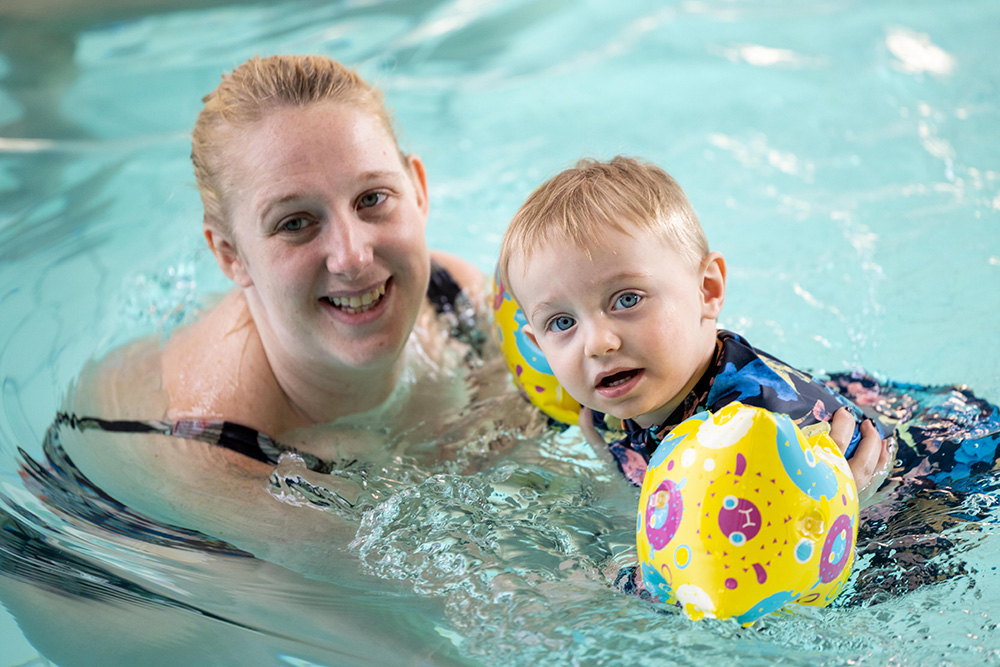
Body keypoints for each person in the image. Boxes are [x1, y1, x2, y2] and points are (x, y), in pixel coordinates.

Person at [498, 156, 895, 501]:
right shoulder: (606, 412)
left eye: (627, 299)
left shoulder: (760, 434)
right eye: (562, 323)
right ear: (538, 346)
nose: (598, 343)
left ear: (707, 290)